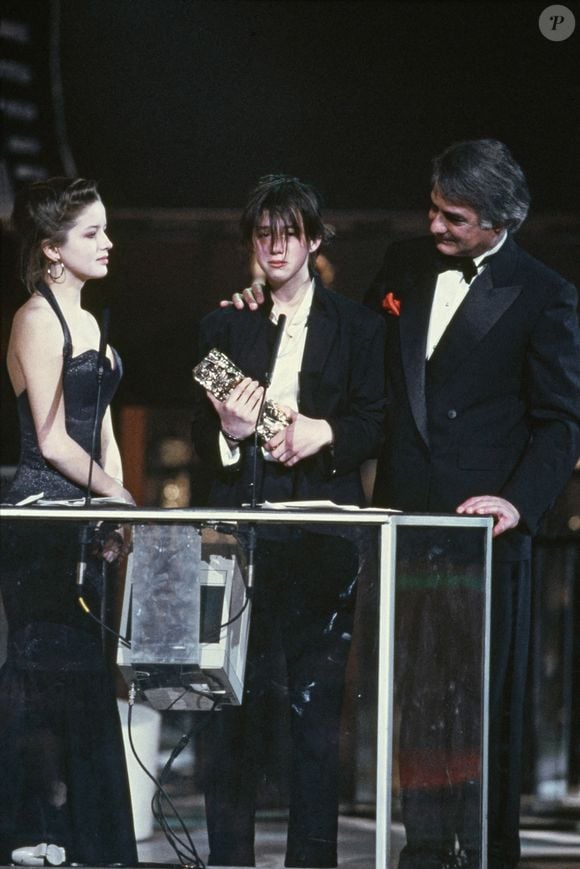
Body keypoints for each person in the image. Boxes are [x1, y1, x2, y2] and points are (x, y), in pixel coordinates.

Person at [225, 141, 580, 869]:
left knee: (483, 701)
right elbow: (352, 346)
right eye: (433, 208)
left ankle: (488, 849)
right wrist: (270, 304)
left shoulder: (545, 293)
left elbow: (562, 422)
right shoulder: (405, 261)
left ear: (499, 219)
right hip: (403, 523)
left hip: (484, 531)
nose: (435, 224)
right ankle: (422, 845)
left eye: (453, 217)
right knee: (413, 695)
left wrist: (516, 502)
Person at [192, 174, 386, 867]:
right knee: (232, 719)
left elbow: (374, 421)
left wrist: (320, 432)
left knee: (314, 722)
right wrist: (231, 430)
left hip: (322, 540)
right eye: (263, 233)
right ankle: (228, 861)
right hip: (241, 541)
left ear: (313, 239)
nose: (275, 246)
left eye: (288, 233)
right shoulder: (225, 323)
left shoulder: (359, 327)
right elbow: (199, 438)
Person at [0, 178, 138, 866]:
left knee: (86, 676)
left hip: (85, 520)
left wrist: (114, 508)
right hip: (40, 521)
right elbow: (54, 441)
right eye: (92, 233)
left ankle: (91, 838)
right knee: (41, 674)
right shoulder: (34, 317)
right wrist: (117, 495)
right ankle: (30, 829)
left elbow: (102, 424)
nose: (107, 243)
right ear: (53, 250)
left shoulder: (93, 320)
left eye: (105, 230)